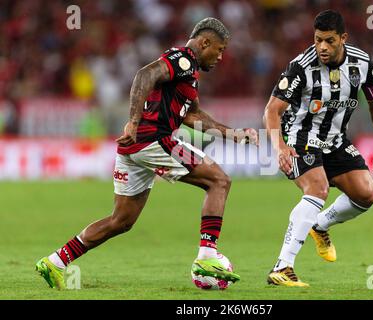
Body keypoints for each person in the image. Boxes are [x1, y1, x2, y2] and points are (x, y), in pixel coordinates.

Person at [36, 17, 258, 289]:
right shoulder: (182, 59)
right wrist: (133, 120)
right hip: (153, 140)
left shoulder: (188, 74)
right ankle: (207, 256)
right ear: (205, 42)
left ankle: (55, 261)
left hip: (134, 147)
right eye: (220, 49)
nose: (221, 56)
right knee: (219, 180)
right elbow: (145, 74)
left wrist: (234, 134)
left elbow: (193, 115)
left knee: (121, 220)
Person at [264, 10, 373, 287]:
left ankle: (319, 224)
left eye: (329, 41)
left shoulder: (362, 64)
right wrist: (280, 147)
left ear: (343, 38)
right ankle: (283, 266)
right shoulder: (301, 66)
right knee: (318, 188)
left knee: (365, 194)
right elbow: (272, 110)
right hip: (299, 136)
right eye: (318, 39)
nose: (322, 47)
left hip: (335, 140)